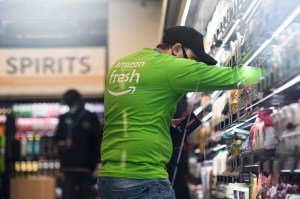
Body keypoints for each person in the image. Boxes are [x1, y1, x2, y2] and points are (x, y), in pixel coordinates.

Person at [97, 26, 263, 199]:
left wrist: (164, 122)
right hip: (143, 179)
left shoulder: (119, 65)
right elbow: (234, 77)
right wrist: (273, 67)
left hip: (109, 179)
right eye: (193, 59)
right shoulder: (171, 67)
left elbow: (126, 111)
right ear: (176, 49)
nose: (195, 66)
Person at [54, 89, 102, 199]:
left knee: (85, 194)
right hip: (68, 167)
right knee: (68, 195)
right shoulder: (64, 118)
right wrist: (62, 143)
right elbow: (56, 140)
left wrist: (93, 164)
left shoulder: (90, 117)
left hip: (86, 168)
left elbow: (97, 141)